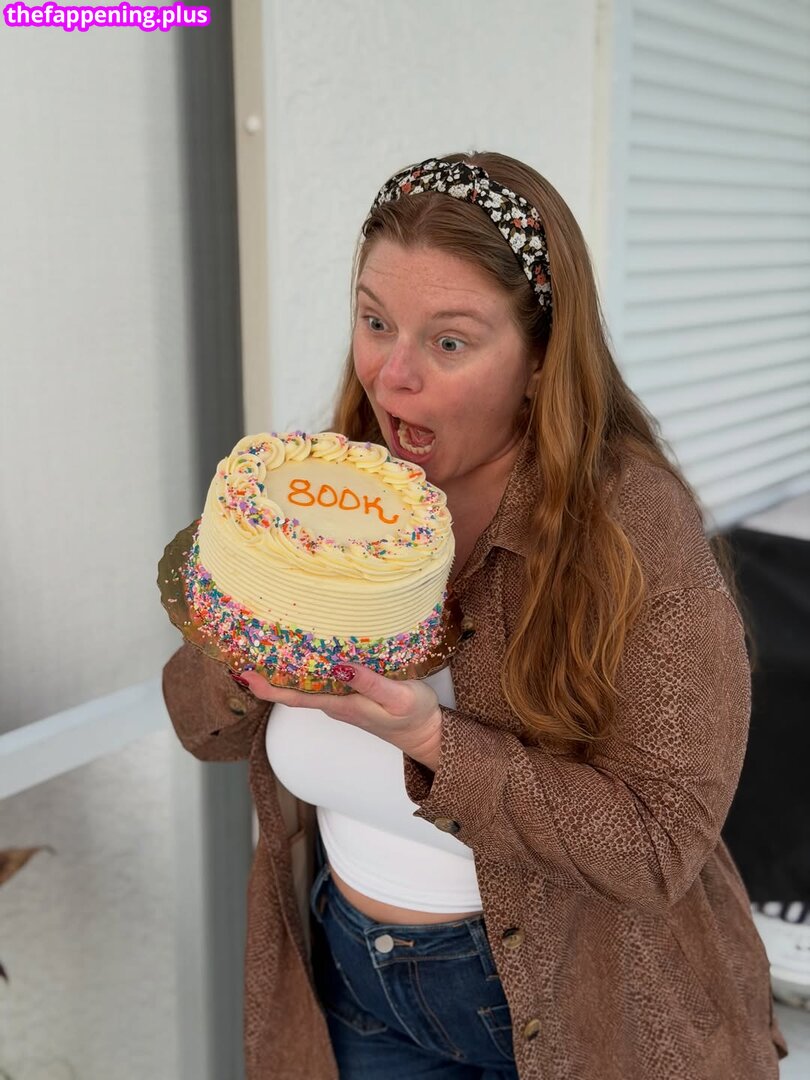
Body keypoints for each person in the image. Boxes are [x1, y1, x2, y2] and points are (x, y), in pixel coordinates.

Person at [162, 152, 789, 1080]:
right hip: (356, 990)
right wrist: (261, 614)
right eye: (376, 321)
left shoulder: (633, 526)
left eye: (449, 343)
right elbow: (202, 728)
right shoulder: (325, 496)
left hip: (573, 1015)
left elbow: (660, 846)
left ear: (540, 359)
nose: (392, 377)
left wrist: (429, 738)